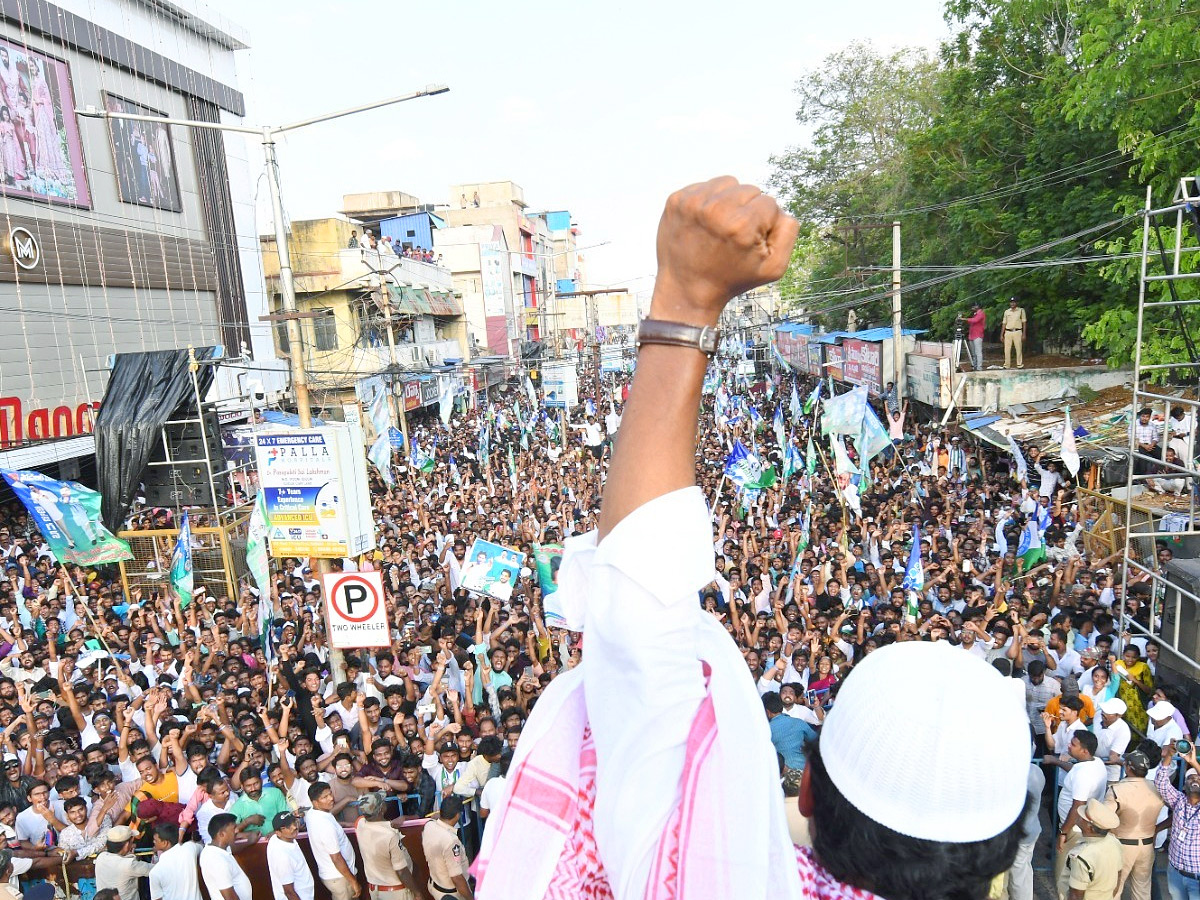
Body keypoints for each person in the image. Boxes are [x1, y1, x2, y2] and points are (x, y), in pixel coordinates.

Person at [473, 177, 1030, 900]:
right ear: (1009, 851)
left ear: (804, 795)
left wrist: (686, 299)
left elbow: (640, 627)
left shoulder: (715, 874)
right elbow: (635, 615)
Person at [1106, 750, 1162, 900]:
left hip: (1122, 845)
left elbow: (1105, 819)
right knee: (1142, 892)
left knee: (1113, 890)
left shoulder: (1117, 790)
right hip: (1147, 844)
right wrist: (1158, 829)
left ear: (1128, 767)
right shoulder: (1156, 787)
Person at [355, 791, 425, 900]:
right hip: (395, 892)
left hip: (374, 889)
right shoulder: (390, 836)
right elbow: (401, 871)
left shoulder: (360, 824)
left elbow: (361, 820)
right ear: (382, 808)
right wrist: (417, 893)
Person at [1156, 743, 1200, 900]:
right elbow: (1161, 784)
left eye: (1198, 778)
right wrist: (1168, 755)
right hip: (1175, 873)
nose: (1194, 780)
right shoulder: (1179, 801)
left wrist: (1194, 762)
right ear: (1183, 786)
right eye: (1190, 778)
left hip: (1196, 878)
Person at [1057, 798, 1122, 900]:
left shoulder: (1082, 857)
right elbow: (1118, 877)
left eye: (1083, 817)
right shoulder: (1114, 842)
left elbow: (1076, 896)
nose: (1079, 815)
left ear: (1090, 828)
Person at [306, 782, 360, 900]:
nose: (331, 798)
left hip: (334, 875)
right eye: (325, 797)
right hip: (340, 878)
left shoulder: (313, 813)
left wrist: (343, 824)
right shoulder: (325, 825)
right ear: (315, 802)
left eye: (330, 794)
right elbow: (336, 857)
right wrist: (353, 881)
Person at [1007, 762, 1045, 900]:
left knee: (1018, 877)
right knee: (1024, 870)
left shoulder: (1015, 774)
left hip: (1019, 834)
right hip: (1032, 829)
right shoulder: (1036, 771)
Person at [422, 795, 471, 900]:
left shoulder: (429, 826)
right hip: (450, 895)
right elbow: (457, 878)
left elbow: (433, 818)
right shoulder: (451, 841)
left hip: (435, 885)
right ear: (458, 815)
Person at [199, 814, 253, 900]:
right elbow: (229, 897)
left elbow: (232, 848)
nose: (237, 831)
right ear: (221, 834)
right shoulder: (216, 860)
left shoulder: (219, 849)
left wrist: (250, 841)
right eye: (233, 829)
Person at [94, 825, 154, 900]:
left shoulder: (101, 857)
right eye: (132, 842)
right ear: (126, 845)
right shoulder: (129, 864)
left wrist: (129, 855)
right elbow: (157, 869)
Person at [266, 812, 315, 900]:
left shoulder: (281, 838)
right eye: (288, 826)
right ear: (278, 833)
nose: (294, 827)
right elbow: (289, 891)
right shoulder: (282, 857)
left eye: (294, 822)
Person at [148, 823, 202, 900]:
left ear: (165, 843)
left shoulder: (155, 872)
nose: (153, 842)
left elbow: (157, 898)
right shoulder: (190, 848)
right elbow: (200, 848)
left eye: (155, 840)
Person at [1002, 297, 1027, 369]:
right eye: (1011, 302)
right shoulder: (1007, 312)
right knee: (1006, 349)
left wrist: (1024, 334)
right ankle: (1007, 365)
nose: (1012, 303)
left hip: (1017, 331)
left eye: (1014, 302)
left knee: (1018, 348)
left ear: (1016, 303)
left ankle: (1019, 364)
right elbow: (1004, 323)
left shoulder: (1021, 310)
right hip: (1008, 332)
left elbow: (1024, 322)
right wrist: (1002, 334)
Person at [966, 303, 987, 370]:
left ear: (977, 307)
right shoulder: (975, 314)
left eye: (973, 306)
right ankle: (974, 366)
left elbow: (975, 320)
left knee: (978, 352)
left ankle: (979, 367)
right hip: (972, 335)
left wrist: (964, 319)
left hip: (977, 335)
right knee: (973, 353)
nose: (972, 308)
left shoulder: (981, 313)